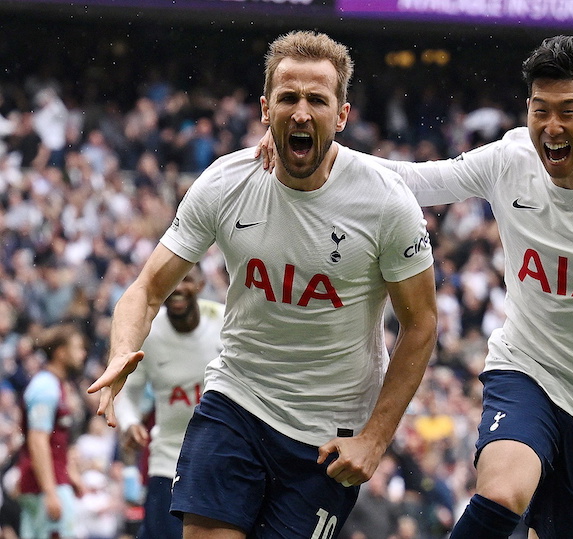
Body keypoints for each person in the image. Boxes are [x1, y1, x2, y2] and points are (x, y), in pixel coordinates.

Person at [259, 34, 573, 538]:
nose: (552, 128)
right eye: (540, 111)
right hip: (527, 369)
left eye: (568, 112)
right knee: (501, 492)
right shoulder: (510, 159)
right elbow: (418, 180)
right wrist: (324, 152)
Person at [88, 30, 437, 539]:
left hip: (328, 432)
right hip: (237, 399)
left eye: (317, 99)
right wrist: (122, 348)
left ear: (341, 116)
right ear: (264, 109)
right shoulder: (227, 183)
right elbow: (146, 288)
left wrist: (375, 438)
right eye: (287, 98)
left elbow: (422, 323)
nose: (300, 112)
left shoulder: (385, 203)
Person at [113, 265, 224, 539]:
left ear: (200, 283)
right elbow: (126, 391)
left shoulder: (223, 322)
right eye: (172, 280)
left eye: (185, 278)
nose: (178, 287)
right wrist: (129, 423)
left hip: (221, 457)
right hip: (168, 460)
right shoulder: (148, 333)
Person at [17, 323, 87, 539]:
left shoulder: (54, 384)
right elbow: (37, 441)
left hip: (50, 482)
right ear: (61, 353)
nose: (83, 354)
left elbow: (57, 441)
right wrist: (50, 492)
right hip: (45, 487)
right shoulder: (45, 387)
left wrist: (71, 474)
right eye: (78, 348)